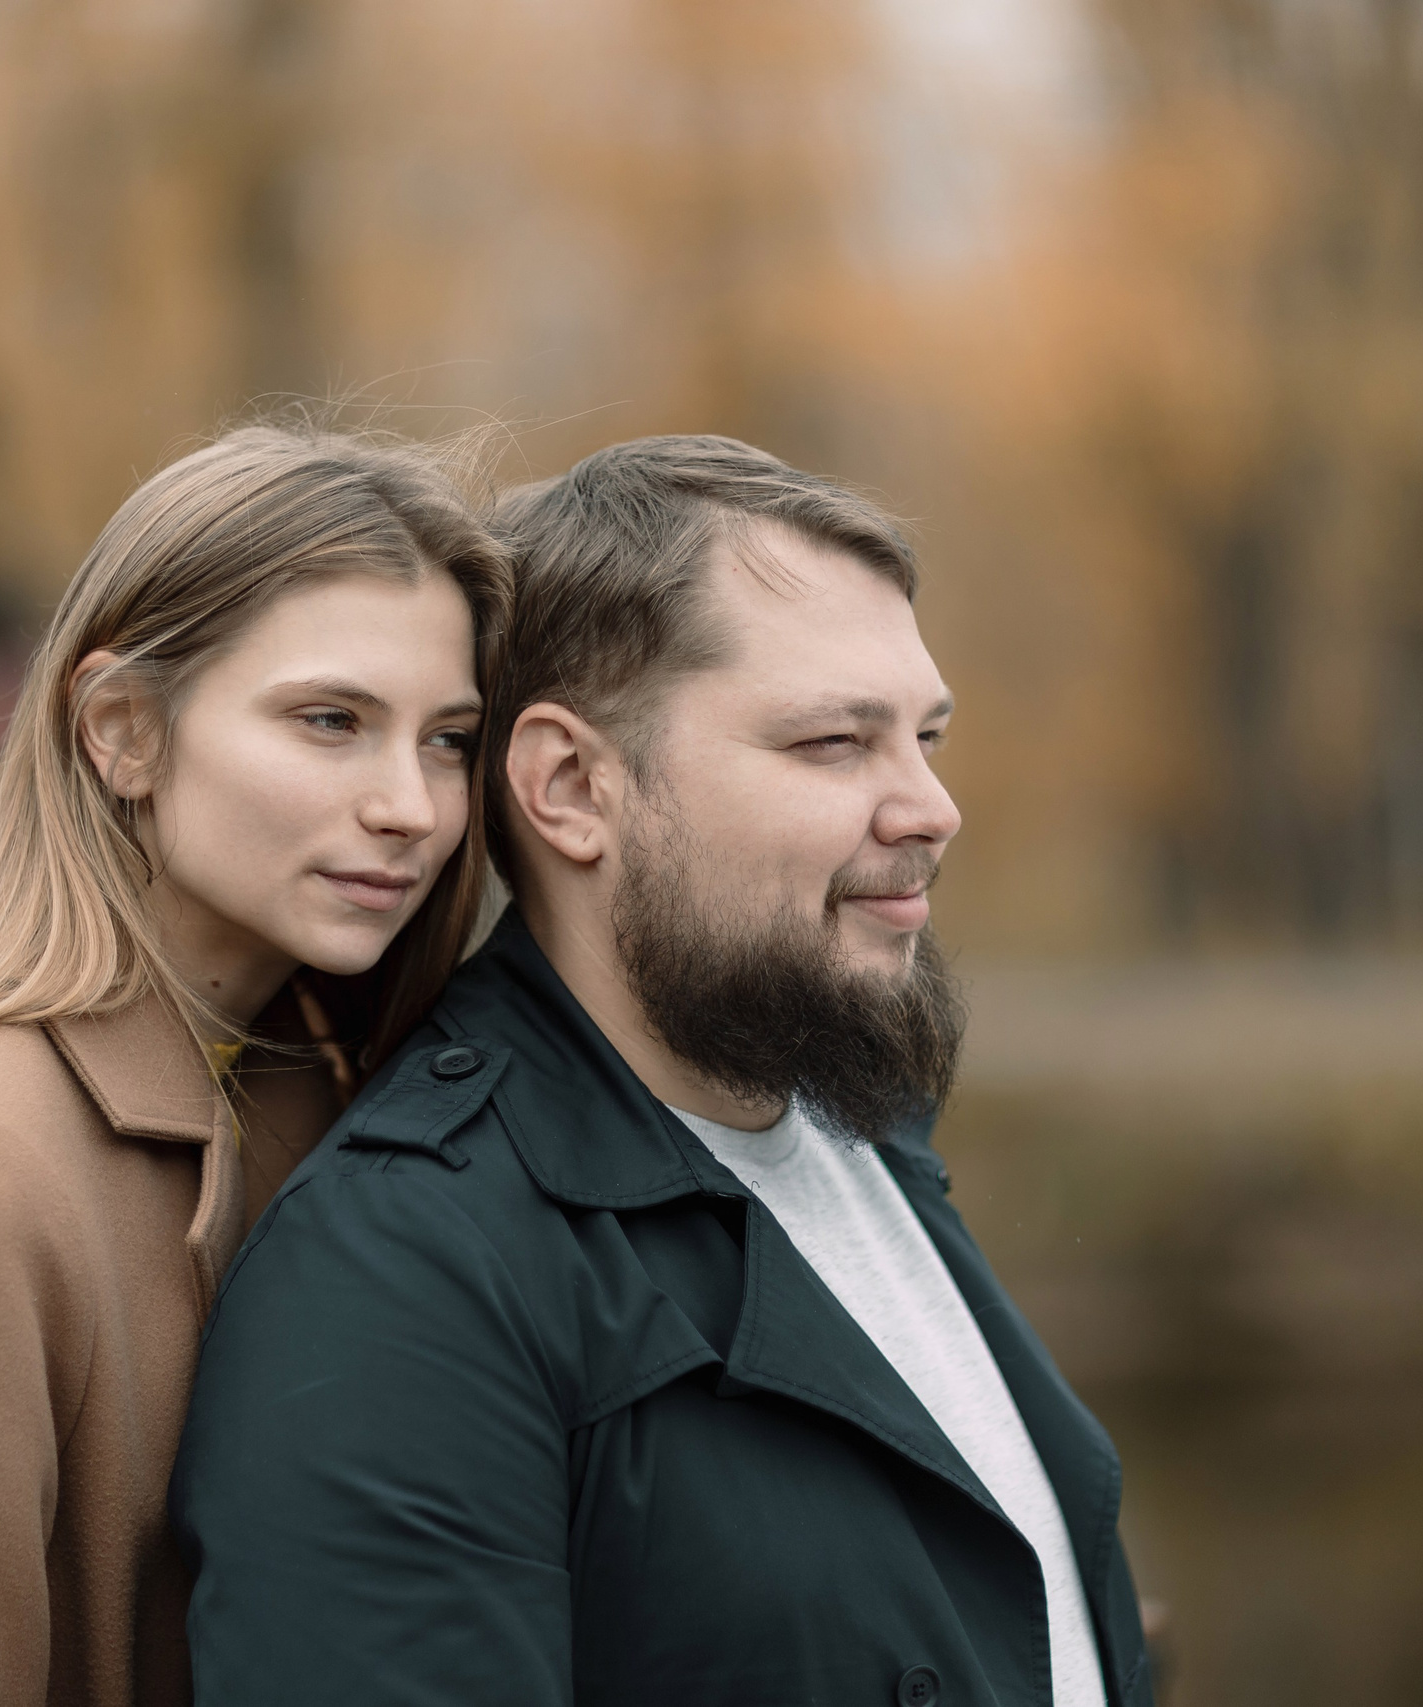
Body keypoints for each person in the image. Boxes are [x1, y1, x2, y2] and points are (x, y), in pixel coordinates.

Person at [170, 435, 1154, 1707]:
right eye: (834, 745)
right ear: (574, 787)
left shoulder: (853, 1125)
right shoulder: (403, 1279)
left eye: (926, 736)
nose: (929, 807)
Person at [0, 425, 512, 1707]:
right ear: (122, 731)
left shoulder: (330, 1090)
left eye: (449, 739)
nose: (410, 804)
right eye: (330, 720)